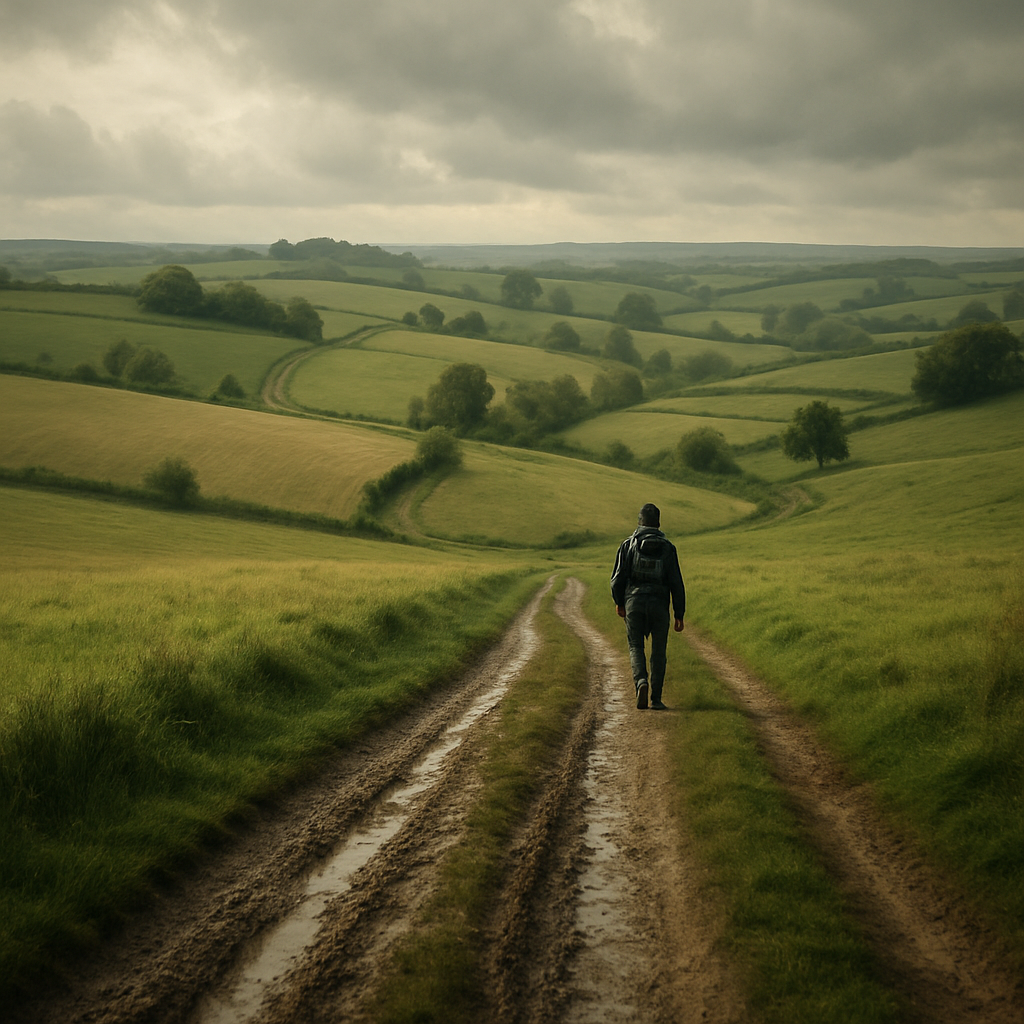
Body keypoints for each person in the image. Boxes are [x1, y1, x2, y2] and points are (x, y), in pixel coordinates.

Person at [610, 503, 685, 710]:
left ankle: (641, 682)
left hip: (634, 602)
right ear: (658, 523)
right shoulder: (668, 547)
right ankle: (657, 699)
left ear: (639, 522)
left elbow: (617, 579)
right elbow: (676, 582)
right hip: (660, 605)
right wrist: (679, 613)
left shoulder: (628, 544)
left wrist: (619, 602)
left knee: (636, 646)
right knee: (659, 652)